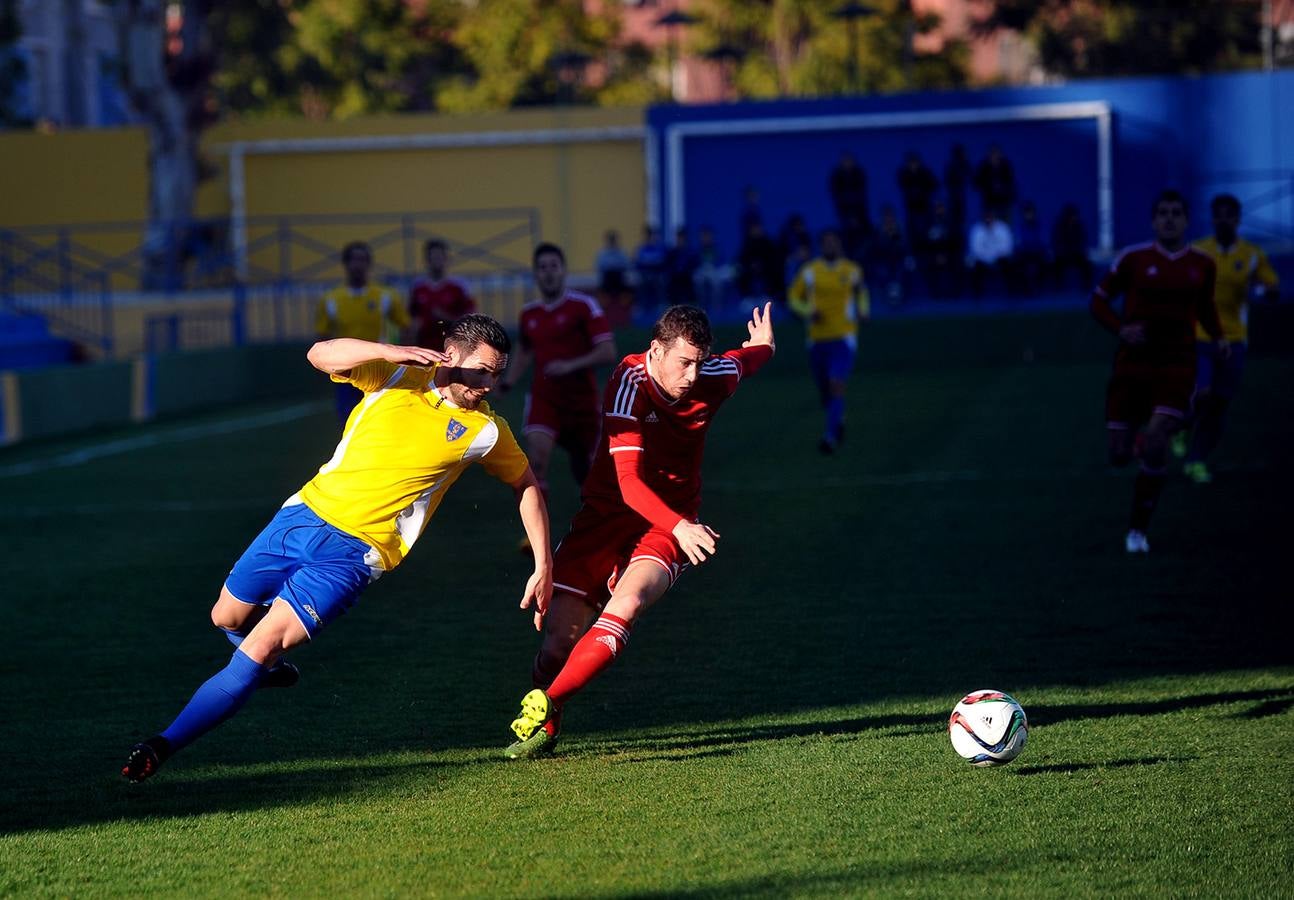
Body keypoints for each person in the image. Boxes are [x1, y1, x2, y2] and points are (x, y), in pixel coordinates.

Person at [122, 316, 552, 783]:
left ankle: (160, 746)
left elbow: (525, 484)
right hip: (302, 515)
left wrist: (542, 563)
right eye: (484, 371)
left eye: (498, 373)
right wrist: (390, 351)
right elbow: (319, 353)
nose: (492, 384)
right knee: (224, 618)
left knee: (261, 643)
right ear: (451, 354)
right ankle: (260, 669)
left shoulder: (486, 431)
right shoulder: (394, 376)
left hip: (355, 554)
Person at [503, 302, 776, 759]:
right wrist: (682, 528)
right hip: (609, 515)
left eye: (699, 362)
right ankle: (548, 711)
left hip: (670, 523)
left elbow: (744, 361)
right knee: (557, 644)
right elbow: (629, 485)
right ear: (656, 350)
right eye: (683, 362)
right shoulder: (629, 383)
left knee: (626, 603)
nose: (692, 375)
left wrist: (764, 345)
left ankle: (546, 706)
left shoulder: (712, 376)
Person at [1090, 189, 1225, 554]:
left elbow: (1206, 308)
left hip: (1176, 365)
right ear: (1153, 220)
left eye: (1176, 213)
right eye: (1162, 212)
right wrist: (1121, 328)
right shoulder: (1133, 259)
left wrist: (1218, 337)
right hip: (1131, 367)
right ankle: (1140, 442)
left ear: (1186, 220)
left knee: (1156, 439)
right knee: (1118, 455)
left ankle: (1137, 532)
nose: (1169, 219)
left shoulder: (1202, 264)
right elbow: (1098, 300)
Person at [499, 243, 618, 503]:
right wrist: (507, 382)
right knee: (536, 462)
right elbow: (524, 351)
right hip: (545, 399)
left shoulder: (584, 306)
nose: (549, 273)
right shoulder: (529, 313)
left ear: (563, 270)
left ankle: (597, 528)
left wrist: (570, 365)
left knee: (590, 474)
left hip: (582, 404)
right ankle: (533, 538)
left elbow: (608, 351)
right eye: (542, 268)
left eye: (554, 266)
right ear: (536, 274)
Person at [1176, 194, 1281, 483]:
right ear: (1212, 219)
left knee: (1219, 406)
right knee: (1202, 393)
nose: (1223, 220)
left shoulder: (1251, 254)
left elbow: (1271, 287)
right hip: (1201, 335)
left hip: (1234, 339)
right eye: (1218, 215)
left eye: (1228, 215)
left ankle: (1195, 460)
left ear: (1237, 219)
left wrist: (1265, 292)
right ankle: (1183, 427)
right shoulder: (1198, 250)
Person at [788, 229, 868, 454]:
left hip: (843, 336)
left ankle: (830, 437)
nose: (830, 247)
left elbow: (861, 293)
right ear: (821, 246)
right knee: (826, 391)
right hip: (817, 339)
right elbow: (794, 297)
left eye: (834, 242)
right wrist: (808, 311)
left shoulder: (851, 270)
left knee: (836, 384)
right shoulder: (810, 272)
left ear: (840, 245)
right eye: (826, 243)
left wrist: (863, 311)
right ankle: (838, 416)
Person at [317, 241, 411, 424]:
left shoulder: (385, 296)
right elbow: (323, 335)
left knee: (381, 417)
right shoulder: (331, 299)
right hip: (346, 368)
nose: (358, 265)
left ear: (369, 264)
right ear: (345, 264)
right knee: (348, 418)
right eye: (353, 260)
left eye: (362, 260)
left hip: (379, 367)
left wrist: (404, 356)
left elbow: (406, 325)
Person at [408, 239, 476, 352]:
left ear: (447, 259)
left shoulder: (458, 287)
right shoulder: (418, 288)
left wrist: (446, 318)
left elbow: (471, 318)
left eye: (439, 257)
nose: (436, 261)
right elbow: (411, 319)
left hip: (453, 349)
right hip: (424, 348)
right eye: (433, 258)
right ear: (427, 260)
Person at [897, 151, 939, 252]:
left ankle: (928, 252)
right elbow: (902, 185)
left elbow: (934, 185)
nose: (913, 165)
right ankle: (914, 254)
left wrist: (922, 190)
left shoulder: (925, 173)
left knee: (928, 233)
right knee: (912, 234)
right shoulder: (904, 174)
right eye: (911, 163)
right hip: (911, 209)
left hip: (925, 209)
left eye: (915, 162)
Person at [967, 209, 1015, 297]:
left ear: (994, 218)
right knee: (974, 265)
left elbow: (1007, 247)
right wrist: (987, 258)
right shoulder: (977, 230)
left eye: (990, 218)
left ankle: (1011, 293)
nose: (988, 220)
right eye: (986, 218)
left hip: (999, 257)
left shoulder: (1003, 228)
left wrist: (995, 256)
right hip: (982, 259)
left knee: (1009, 264)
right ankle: (977, 295)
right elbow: (975, 249)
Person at [1052, 203, 1093, 291]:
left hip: (1076, 254)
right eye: (1071, 215)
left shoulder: (1079, 227)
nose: (1073, 218)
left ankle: (1086, 287)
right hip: (1064, 254)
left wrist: (1078, 250)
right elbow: (1057, 241)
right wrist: (1064, 250)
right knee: (1056, 264)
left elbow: (1082, 241)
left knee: (1087, 265)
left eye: (1074, 215)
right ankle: (1057, 287)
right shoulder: (1060, 227)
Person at [829, 151, 870, 231]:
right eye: (845, 161)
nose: (847, 163)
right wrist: (842, 198)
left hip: (859, 204)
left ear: (854, 161)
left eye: (849, 160)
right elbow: (834, 189)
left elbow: (863, 188)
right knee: (845, 225)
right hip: (843, 205)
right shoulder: (836, 174)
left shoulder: (859, 173)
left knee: (862, 224)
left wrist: (855, 197)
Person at [973, 144, 1017, 219]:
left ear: (1000, 154)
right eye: (992, 154)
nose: (994, 156)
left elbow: (1011, 183)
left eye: (996, 154)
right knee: (989, 225)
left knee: (1004, 224)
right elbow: (976, 183)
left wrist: (1003, 188)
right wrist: (989, 185)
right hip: (989, 203)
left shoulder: (1005, 166)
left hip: (1004, 202)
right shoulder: (984, 167)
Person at [633, 226, 669, 314]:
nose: (648, 237)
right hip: (644, 274)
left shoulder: (659, 248)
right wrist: (649, 262)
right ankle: (641, 306)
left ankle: (661, 304)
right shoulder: (641, 248)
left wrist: (649, 262)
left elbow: (662, 261)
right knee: (640, 281)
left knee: (661, 280)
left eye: (650, 235)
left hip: (657, 274)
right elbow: (637, 262)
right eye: (647, 235)